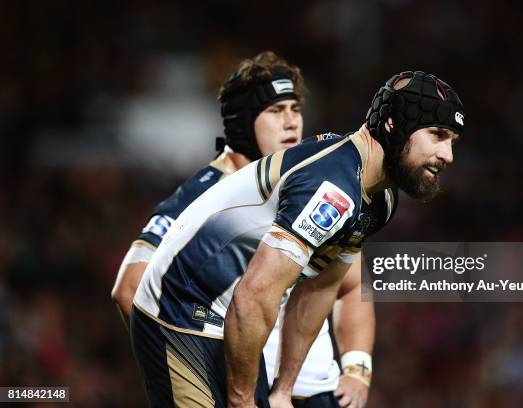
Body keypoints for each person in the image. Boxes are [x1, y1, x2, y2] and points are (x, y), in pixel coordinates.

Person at [132, 69, 464, 407]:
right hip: (180, 304)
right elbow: (253, 295)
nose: (448, 155)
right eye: (437, 134)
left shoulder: (381, 198)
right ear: (393, 123)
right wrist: (242, 401)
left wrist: (282, 391)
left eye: (452, 140)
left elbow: (321, 287)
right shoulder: (332, 186)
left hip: (232, 313)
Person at [112, 52, 383, 407]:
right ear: (242, 122)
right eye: (275, 111)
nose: (291, 123)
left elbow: (349, 285)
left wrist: (357, 368)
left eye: (295, 109)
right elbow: (130, 288)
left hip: (319, 389)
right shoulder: (202, 196)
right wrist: (198, 371)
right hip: (246, 389)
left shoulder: (312, 182)